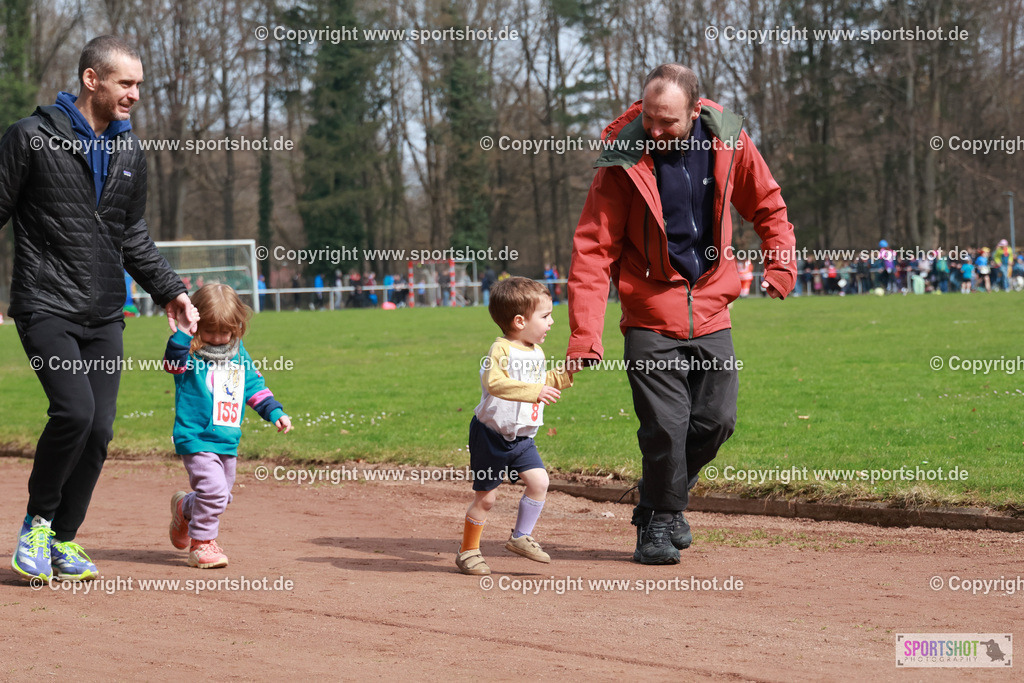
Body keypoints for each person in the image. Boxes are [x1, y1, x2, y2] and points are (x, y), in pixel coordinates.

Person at [566, 63, 796, 565]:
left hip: (712, 304)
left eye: (666, 121)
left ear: (695, 111)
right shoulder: (623, 158)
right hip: (649, 312)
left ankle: (656, 507)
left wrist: (780, 260)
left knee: (716, 421)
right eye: (649, 117)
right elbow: (592, 250)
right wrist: (586, 335)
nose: (654, 129)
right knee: (666, 428)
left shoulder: (729, 141)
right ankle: (658, 527)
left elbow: (768, 206)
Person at [2, 35, 197, 582]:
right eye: (126, 83)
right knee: (74, 413)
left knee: (100, 429)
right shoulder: (30, 137)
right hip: (45, 304)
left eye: (138, 84)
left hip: (105, 312)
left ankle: (64, 539)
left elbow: (130, 233)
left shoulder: (129, 150)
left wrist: (170, 290)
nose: (135, 94)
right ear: (92, 79)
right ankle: (37, 524)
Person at [164, 284, 291, 568]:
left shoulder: (238, 353)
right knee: (214, 491)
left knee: (221, 496)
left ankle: (185, 508)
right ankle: (202, 544)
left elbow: (253, 386)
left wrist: (274, 411)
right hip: (195, 436)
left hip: (227, 437)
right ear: (197, 325)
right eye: (210, 331)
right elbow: (172, 364)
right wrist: (183, 332)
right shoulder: (188, 351)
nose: (219, 339)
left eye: (226, 332)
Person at [455, 277, 573, 576]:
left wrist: (570, 369)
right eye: (545, 316)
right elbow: (495, 383)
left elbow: (542, 382)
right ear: (520, 321)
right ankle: (468, 553)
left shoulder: (536, 351)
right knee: (487, 498)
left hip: (522, 438)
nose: (552, 322)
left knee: (539, 483)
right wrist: (534, 392)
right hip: (491, 436)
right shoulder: (500, 350)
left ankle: (520, 537)